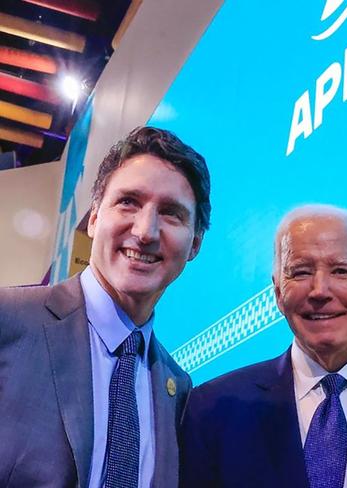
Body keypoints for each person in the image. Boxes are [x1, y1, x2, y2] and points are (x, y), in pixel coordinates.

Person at [0, 126, 211, 488]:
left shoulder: (178, 389)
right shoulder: (9, 321)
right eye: (128, 201)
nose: (146, 231)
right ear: (94, 218)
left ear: (194, 245)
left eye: (172, 213)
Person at [180, 205, 347, 488]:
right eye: (300, 272)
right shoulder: (212, 408)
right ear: (278, 293)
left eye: (341, 270)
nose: (320, 291)